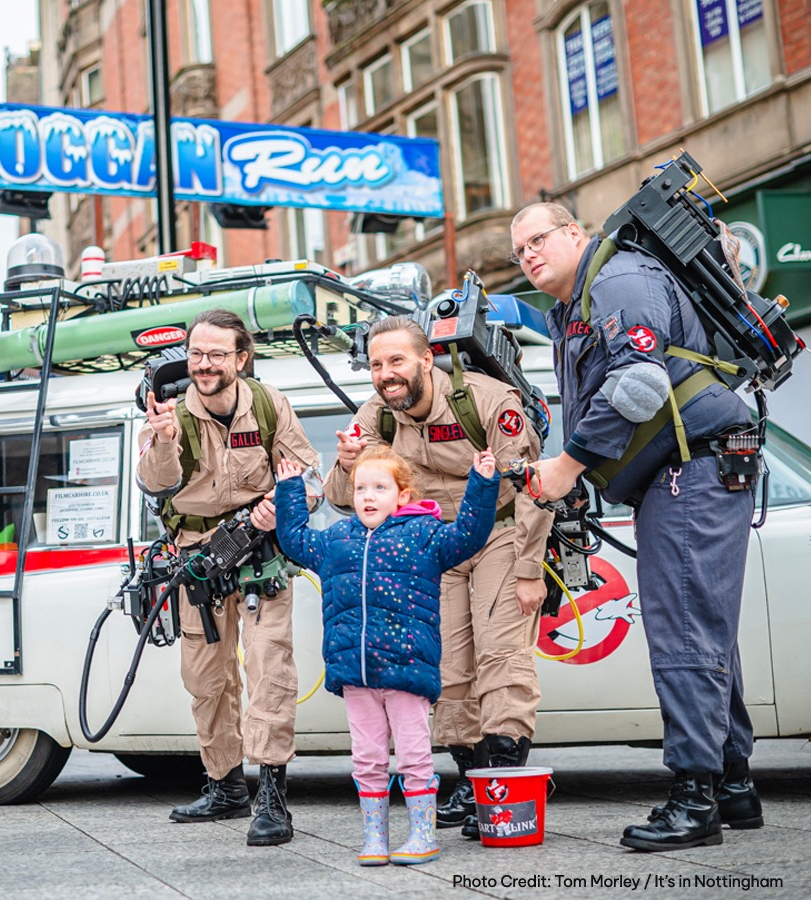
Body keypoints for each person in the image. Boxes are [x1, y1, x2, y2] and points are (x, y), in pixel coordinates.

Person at [510, 202, 762, 851]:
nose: (529, 254)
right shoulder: (578, 302)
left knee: (683, 625)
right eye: (519, 251)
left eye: (539, 238)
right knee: (702, 625)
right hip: (685, 467)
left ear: (575, 233)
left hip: (693, 466)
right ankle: (732, 784)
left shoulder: (618, 280)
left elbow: (641, 383)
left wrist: (567, 468)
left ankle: (693, 800)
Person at [324, 317, 553, 836]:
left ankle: (502, 786)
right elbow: (345, 496)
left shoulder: (490, 401)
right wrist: (344, 463)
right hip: (432, 546)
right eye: (378, 364)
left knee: (502, 656)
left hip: (499, 532)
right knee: (446, 666)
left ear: (428, 360)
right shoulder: (376, 416)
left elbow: (533, 487)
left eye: (398, 361)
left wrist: (528, 569)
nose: (387, 374)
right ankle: (472, 785)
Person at [137, 308, 319, 846]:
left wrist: (279, 505)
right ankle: (225, 785)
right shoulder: (167, 412)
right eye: (196, 353)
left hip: (261, 553)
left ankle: (272, 797)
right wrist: (163, 437)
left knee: (269, 670)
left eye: (217, 354)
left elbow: (305, 474)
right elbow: (154, 482)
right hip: (198, 558)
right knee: (205, 676)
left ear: (241, 358)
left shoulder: (268, 404)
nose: (204, 364)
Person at [274, 445, 499, 865]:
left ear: (403, 496)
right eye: (361, 488)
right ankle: (374, 838)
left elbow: (469, 533)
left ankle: (422, 833)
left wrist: (482, 484)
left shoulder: (425, 535)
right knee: (367, 759)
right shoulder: (337, 539)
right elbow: (295, 541)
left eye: (380, 487)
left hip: (407, 671)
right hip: (355, 671)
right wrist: (288, 490)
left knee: (414, 756)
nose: (368, 496)